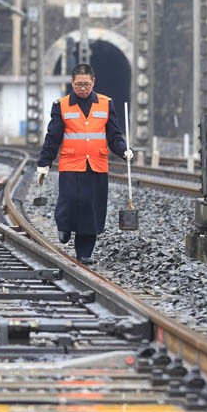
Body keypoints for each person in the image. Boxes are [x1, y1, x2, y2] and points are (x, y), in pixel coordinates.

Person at [36, 63, 132, 265]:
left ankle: (85, 252)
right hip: (71, 164)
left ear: (93, 83)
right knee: (70, 201)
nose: (82, 88)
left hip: (97, 165)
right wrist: (44, 163)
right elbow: (53, 137)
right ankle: (64, 225)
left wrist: (124, 150)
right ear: (72, 83)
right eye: (78, 84)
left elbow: (114, 134)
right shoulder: (61, 105)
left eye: (86, 84)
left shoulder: (106, 104)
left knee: (92, 208)